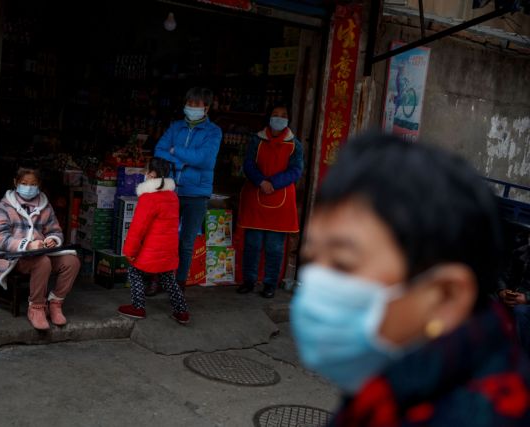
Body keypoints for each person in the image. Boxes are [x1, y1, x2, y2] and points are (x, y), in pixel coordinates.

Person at [291, 134, 530, 426]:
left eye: (342, 264)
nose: (317, 284)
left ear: (446, 296)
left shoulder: (480, 414)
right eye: (311, 260)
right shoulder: (396, 381)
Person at [0, 167, 80, 331]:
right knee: (42, 262)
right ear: (15, 183)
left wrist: (52, 240)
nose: (28, 187)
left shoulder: (45, 205)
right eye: (24, 183)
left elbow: (55, 231)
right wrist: (27, 245)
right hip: (14, 257)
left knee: (72, 261)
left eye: (33, 184)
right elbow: (0, 238)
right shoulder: (5, 206)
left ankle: (55, 303)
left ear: (39, 185)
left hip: (41, 252)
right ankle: (36, 307)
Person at [154, 87, 222, 293]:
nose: (191, 108)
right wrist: (181, 161)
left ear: (206, 108)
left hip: (196, 194)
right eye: (189, 104)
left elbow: (206, 159)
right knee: (164, 238)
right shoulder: (176, 127)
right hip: (171, 190)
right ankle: (158, 280)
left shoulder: (213, 132)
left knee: (186, 242)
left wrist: (176, 152)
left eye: (196, 104)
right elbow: (159, 150)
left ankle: (179, 283)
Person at [237, 104, 303, 298]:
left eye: (283, 115)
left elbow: (296, 171)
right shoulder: (256, 140)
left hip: (280, 199)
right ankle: (249, 281)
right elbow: (248, 164)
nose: (279, 118)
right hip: (256, 196)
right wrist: (260, 181)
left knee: (274, 247)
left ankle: (270, 284)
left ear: (288, 120)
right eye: (275, 114)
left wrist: (272, 183)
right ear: (268, 117)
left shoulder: (295, 144)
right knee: (253, 244)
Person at [117, 157, 190, 325]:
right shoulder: (172, 196)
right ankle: (182, 311)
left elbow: (138, 228)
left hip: (151, 248)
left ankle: (138, 307)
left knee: (135, 272)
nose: (144, 173)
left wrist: (130, 251)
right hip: (168, 249)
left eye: (146, 170)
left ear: (152, 174)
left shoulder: (148, 198)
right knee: (168, 279)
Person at [498, 231, 530, 356]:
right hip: (512, 296)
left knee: (521, 311)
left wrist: (527, 298)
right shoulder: (519, 248)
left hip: (525, 303)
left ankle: (522, 358)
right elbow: (502, 275)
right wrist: (502, 291)